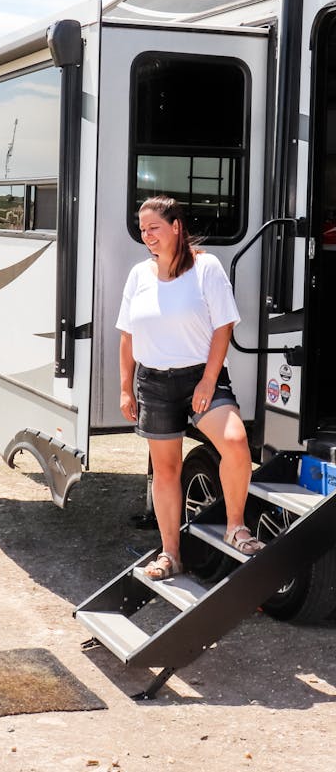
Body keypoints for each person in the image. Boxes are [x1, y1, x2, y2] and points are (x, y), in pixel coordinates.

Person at [116, 195, 263, 581]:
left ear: (176, 227)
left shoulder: (206, 268)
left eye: (154, 228)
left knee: (234, 442)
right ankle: (170, 555)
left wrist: (208, 381)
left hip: (201, 375)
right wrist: (126, 389)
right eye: (143, 229)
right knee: (166, 470)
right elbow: (127, 337)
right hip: (154, 382)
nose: (147, 236)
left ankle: (236, 527)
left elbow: (223, 326)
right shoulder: (139, 275)